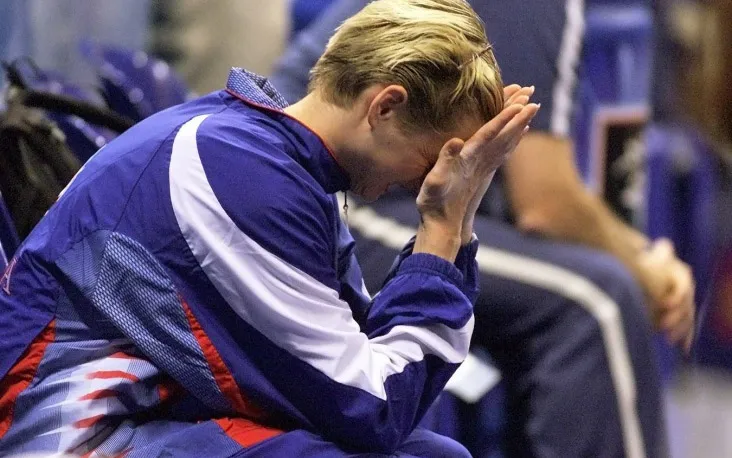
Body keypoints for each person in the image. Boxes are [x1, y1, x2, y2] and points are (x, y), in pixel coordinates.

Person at [0, 0, 538, 456]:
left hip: (149, 415)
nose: (433, 179)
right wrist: (443, 228)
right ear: (386, 107)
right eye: (435, 158)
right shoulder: (238, 173)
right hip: (69, 437)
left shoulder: (276, 161)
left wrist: (454, 225)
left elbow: (369, 362)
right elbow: (375, 407)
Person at [271, 0, 696, 457]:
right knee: (599, 301)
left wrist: (639, 256)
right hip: (330, 186)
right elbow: (544, 203)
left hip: (386, 182)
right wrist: (644, 269)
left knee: (587, 283)